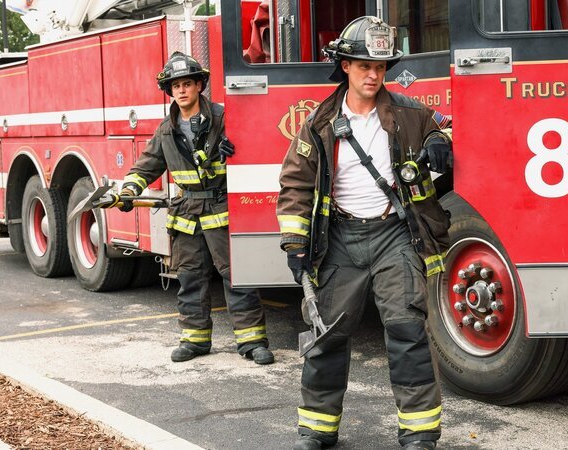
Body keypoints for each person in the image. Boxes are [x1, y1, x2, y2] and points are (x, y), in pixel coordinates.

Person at [277, 16, 453, 450]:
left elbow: (449, 127)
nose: (373, 75)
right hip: (340, 237)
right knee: (327, 334)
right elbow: (295, 183)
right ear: (344, 68)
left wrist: (442, 140)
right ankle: (317, 428)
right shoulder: (318, 122)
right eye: (363, 66)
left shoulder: (412, 113)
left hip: (396, 235)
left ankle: (419, 432)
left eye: (380, 67)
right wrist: (296, 244)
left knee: (408, 332)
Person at [107, 52, 274, 365]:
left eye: (187, 83)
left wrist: (236, 149)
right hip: (186, 214)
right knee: (190, 279)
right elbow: (146, 167)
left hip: (222, 209)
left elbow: (256, 145)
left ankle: (253, 342)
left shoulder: (225, 117)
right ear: (170, 91)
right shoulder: (166, 131)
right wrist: (128, 191)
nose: (182, 90)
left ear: (200, 85)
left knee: (238, 276)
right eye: (176, 86)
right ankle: (194, 340)